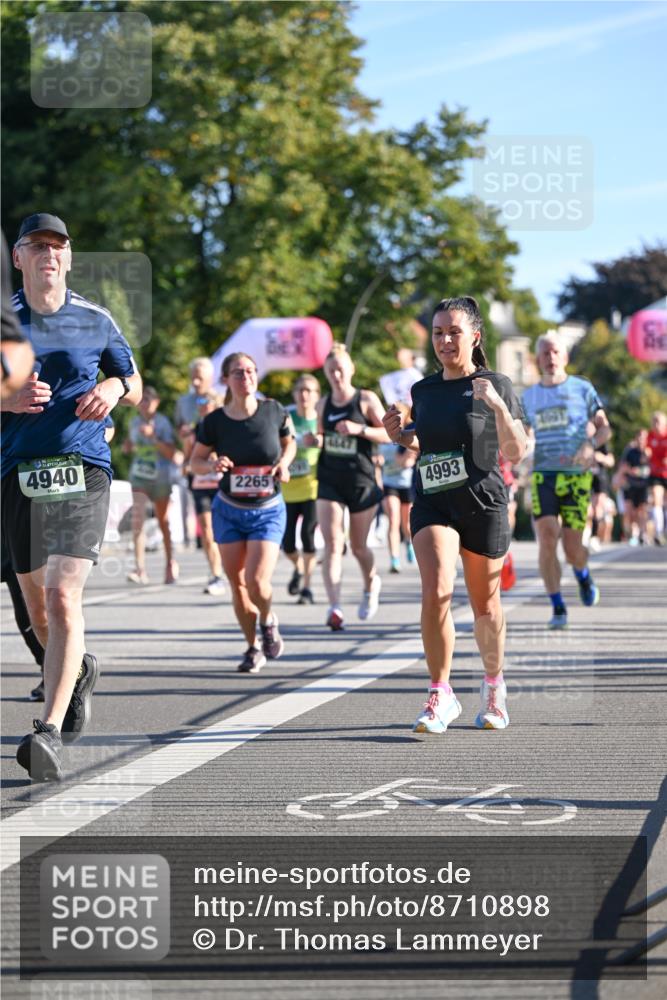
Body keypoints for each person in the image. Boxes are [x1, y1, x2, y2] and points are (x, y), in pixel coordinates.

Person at [2, 212, 141, 781]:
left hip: (84, 469)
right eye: (37, 246)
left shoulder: (95, 318)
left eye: (57, 246)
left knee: (62, 595)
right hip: (17, 474)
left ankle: (49, 730)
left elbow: (133, 382)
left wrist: (112, 386)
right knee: (36, 609)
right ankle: (78, 670)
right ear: (19, 259)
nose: (48, 255)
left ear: (69, 257)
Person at [383, 296, 526, 734]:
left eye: (454, 332)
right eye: (439, 332)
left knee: (485, 605)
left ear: (475, 336)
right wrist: (401, 437)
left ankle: (493, 686)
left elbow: (515, 452)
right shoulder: (423, 390)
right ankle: (440, 693)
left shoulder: (494, 382)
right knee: (436, 590)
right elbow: (428, 443)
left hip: (483, 502)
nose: (445, 340)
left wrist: (498, 407)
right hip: (433, 500)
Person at [190, 352, 295, 673]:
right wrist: (212, 464)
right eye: (238, 372)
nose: (246, 377)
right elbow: (194, 462)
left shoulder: (274, 410)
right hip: (229, 510)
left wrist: (284, 464)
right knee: (237, 584)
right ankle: (252, 647)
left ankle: (268, 618)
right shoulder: (214, 421)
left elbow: (289, 443)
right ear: (226, 380)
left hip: (267, 510)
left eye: (250, 371)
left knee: (256, 582)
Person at [521, 332, 611, 629]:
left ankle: (583, 575)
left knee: (573, 549)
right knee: (547, 538)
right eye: (545, 353)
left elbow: (604, 429)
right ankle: (558, 606)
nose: (551, 358)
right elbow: (520, 436)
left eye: (556, 352)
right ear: (538, 359)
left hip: (575, 477)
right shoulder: (529, 397)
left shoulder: (582, 389)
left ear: (566, 357)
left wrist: (590, 445)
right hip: (543, 475)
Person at [315, 344, 389, 631]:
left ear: (351, 369)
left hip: (361, 480)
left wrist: (361, 430)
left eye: (340, 369)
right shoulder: (323, 404)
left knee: (358, 547)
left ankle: (372, 583)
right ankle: (335, 607)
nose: (336, 375)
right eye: (331, 370)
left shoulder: (365, 399)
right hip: (330, 479)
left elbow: (389, 434)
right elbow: (323, 437)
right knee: (333, 544)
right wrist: (314, 441)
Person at [123, 385, 181, 584]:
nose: (144, 403)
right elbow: (129, 446)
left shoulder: (163, 422)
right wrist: (127, 446)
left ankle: (170, 563)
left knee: (163, 521)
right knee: (137, 520)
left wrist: (152, 437)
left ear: (156, 402)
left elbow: (171, 453)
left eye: (148, 399)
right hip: (139, 475)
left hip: (161, 477)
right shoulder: (133, 422)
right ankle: (139, 569)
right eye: (142, 399)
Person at [180, 390, 226, 595]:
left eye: (206, 401)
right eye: (199, 401)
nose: (202, 405)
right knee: (207, 531)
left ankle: (230, 568)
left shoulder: (225, 428)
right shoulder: (194, 431)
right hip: (201, 486)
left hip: (221, 485)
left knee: (223, 530)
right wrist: (187, 461)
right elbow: (188, 459)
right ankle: (216, 574)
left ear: (216, 405)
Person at [282, 373, 321, 604]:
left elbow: (330, 441)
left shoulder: (320, 419)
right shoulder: (287, 417)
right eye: (300, 390)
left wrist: (319, 441)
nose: (304, 395)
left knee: (307, 535)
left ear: (316, 395)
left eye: (309, 391)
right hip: (287, 489)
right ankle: (298, 567)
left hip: (313, 488)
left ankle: (307, 587)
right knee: (287, 543)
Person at [377, 440, 416, 572]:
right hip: (389, 485)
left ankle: (409, 543)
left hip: (406, 485)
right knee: (393, 520)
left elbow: (408, 463)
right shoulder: (382, 437)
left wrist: (405, 458)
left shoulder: (406, 436)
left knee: (407, 525)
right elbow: (377, 460)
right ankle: (394, 559)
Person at [616, 430, 652, 545]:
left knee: (642, 510)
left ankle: (642, 533)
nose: (641, 440)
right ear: (636, 438)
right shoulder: (630, 451)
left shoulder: (650, 451)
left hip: (644, 485)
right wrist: (632, 471)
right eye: (639, 437)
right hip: (631, 484)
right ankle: (631, 534)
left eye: (644, 438)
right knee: (629, 511)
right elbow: (623, 467)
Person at [586, 442, 615, 551]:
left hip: (599, 479)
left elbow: (611, 461)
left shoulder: (602, 443)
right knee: (587, 510)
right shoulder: (579, 438)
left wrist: (601, 457)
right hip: (584, 477)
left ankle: (594, 537)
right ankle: (585, 534)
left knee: (598, 508)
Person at [647, 410, 667, 545]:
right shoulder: (650, 436)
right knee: (656, 498)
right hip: (656, 474)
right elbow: (647, 450)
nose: (656, 425)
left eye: (658, 422)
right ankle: (658, 532)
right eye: (654, 422)